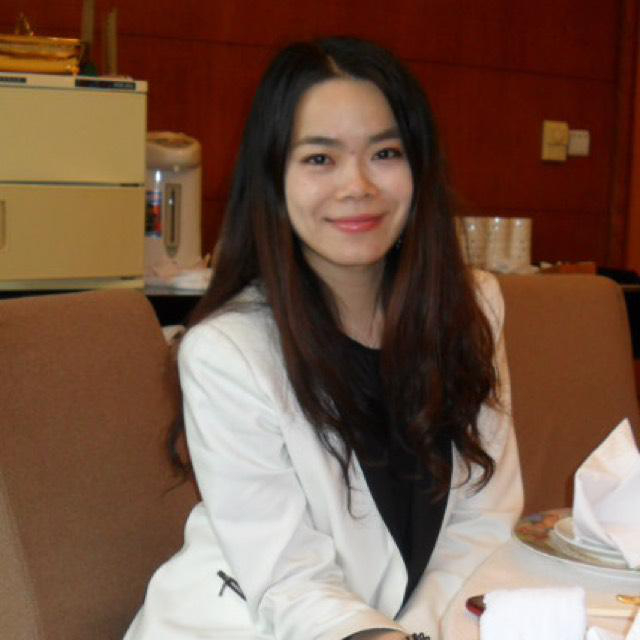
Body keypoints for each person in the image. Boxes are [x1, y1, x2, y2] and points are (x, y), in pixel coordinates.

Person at [124, 36, 523, 640]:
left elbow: (483, 523)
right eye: (319, 159)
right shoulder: (227, 353)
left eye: (384, 153)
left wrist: (415, 633)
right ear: (273, 179)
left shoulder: (471, 309)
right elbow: (289, 580)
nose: (356, 185)